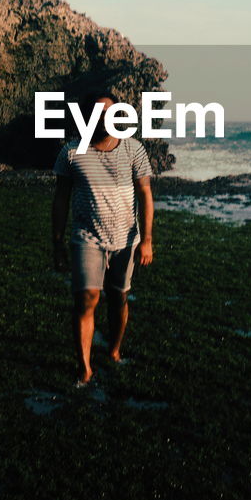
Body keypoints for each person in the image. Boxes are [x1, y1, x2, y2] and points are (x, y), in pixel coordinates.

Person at [51, 91, 154, 386]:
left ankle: (114, 350)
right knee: (87, 298)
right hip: (87, 237)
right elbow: (60, 199)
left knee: (118, 297)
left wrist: (147, 239)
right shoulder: (71, 152)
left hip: (126, 238)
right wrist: (57, 243)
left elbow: (145, 193)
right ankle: (84, 368)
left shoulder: (134, 149)